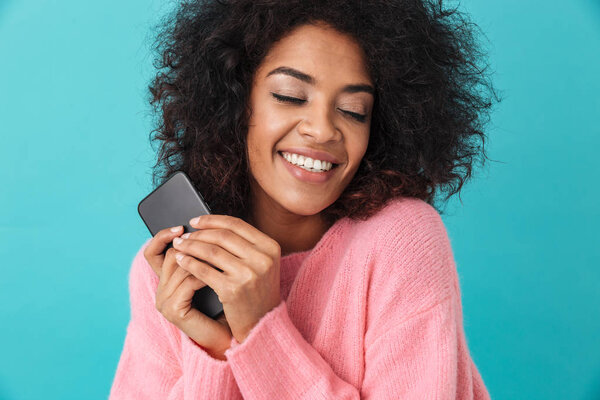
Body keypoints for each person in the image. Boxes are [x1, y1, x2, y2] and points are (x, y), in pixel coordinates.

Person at [109, 0, 498, 398]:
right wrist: (217, 348)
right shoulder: (175, 272)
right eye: (290, 96)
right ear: (234, 102)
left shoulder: (401, 241)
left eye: (353, 110)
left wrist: (260, 327)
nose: (322, 130)